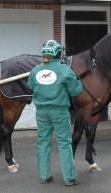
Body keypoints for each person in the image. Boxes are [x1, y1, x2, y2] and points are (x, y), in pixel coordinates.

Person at [27, 40, 82, 186]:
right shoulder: (65, 70)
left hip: (41, 112)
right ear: (58, 54)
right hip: (59, 112)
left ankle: (44, 176)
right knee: (64, 143)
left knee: (43, 142)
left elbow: (30, 86)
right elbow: (75, 90)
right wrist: (77, 80)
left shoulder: (35, 70)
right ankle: (69, 178)